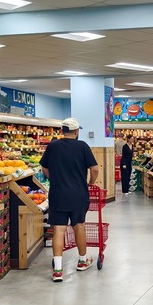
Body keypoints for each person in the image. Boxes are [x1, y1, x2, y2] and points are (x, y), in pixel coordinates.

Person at [40, 117, 100, 282]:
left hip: (58, 193)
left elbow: (44, 167)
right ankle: (82, 261)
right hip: (78, 194)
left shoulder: (53, 146)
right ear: (76, 132)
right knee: (78, 226)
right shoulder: (82, 146)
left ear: (61, 131)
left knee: (58, 229)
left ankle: (58, 270)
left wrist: (55, 179)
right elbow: (94, 168)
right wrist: (90, 182)